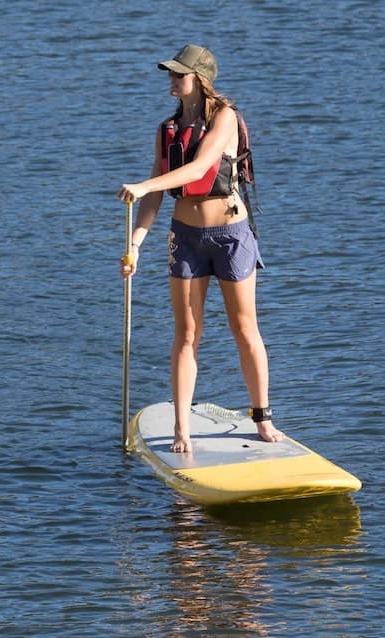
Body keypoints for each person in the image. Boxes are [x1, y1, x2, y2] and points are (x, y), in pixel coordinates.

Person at [117, 45, 283, 451]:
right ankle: (181, 430)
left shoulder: (225, 118)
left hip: (230, 235)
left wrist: (142, 186)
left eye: (180, 74)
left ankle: (262, 417)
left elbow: (198, 169)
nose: (172, 80)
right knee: (187, 333)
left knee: (244, 329)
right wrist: (135, 245)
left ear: (201, 79)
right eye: (171, 74)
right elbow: (158, 194)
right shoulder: (166, 129)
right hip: (186, 237)